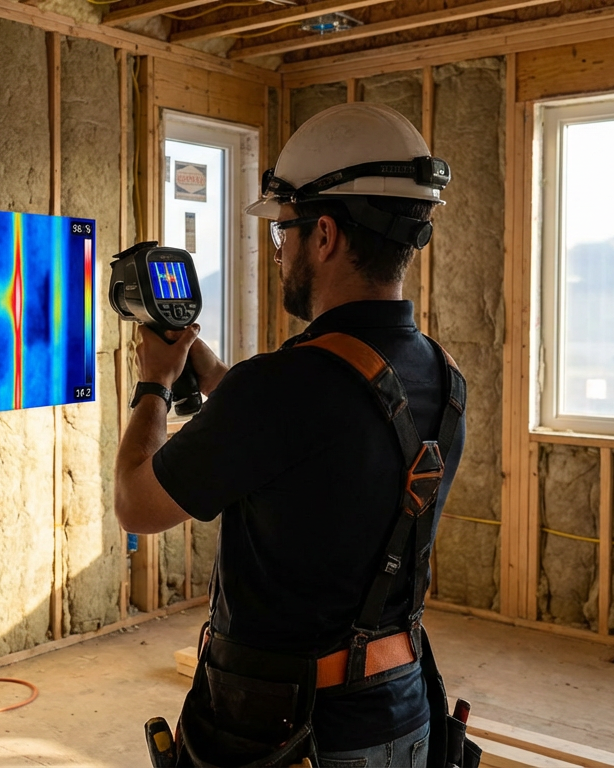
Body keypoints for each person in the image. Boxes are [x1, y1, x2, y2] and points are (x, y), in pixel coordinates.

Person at [115, 103, 471, 767]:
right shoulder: (443, 377)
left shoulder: (279, 390)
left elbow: (137, 503)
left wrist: (155, 383)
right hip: (403, 708)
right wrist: (215, 371)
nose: (278, 252)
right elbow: (321, 438)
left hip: (285, 730)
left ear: (326, 234)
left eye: (283, 233)